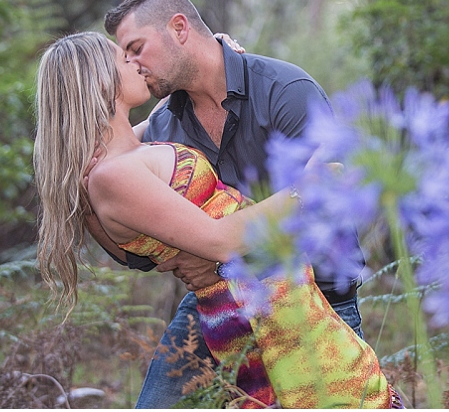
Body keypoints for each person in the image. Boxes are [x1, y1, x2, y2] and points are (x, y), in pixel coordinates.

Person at [34, 32, 400, 408]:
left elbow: (172, 107)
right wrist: (304, 190)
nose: (136, 63)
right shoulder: (112, 175)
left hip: (272, 296)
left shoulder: (130, 147)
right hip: (257, 311)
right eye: (123, 58)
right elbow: (219, 240)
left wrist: (211, 55)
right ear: (98, 80)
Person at [90, 0, 367, 408]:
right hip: (217, 307)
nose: (131, 64)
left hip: (318, 300)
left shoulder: (284, 90)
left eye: (136, 48)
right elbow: (142, 246)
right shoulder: (165, 125)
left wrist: (212, 255)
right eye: (124, 55)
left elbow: (327, 203)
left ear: (179, 28)